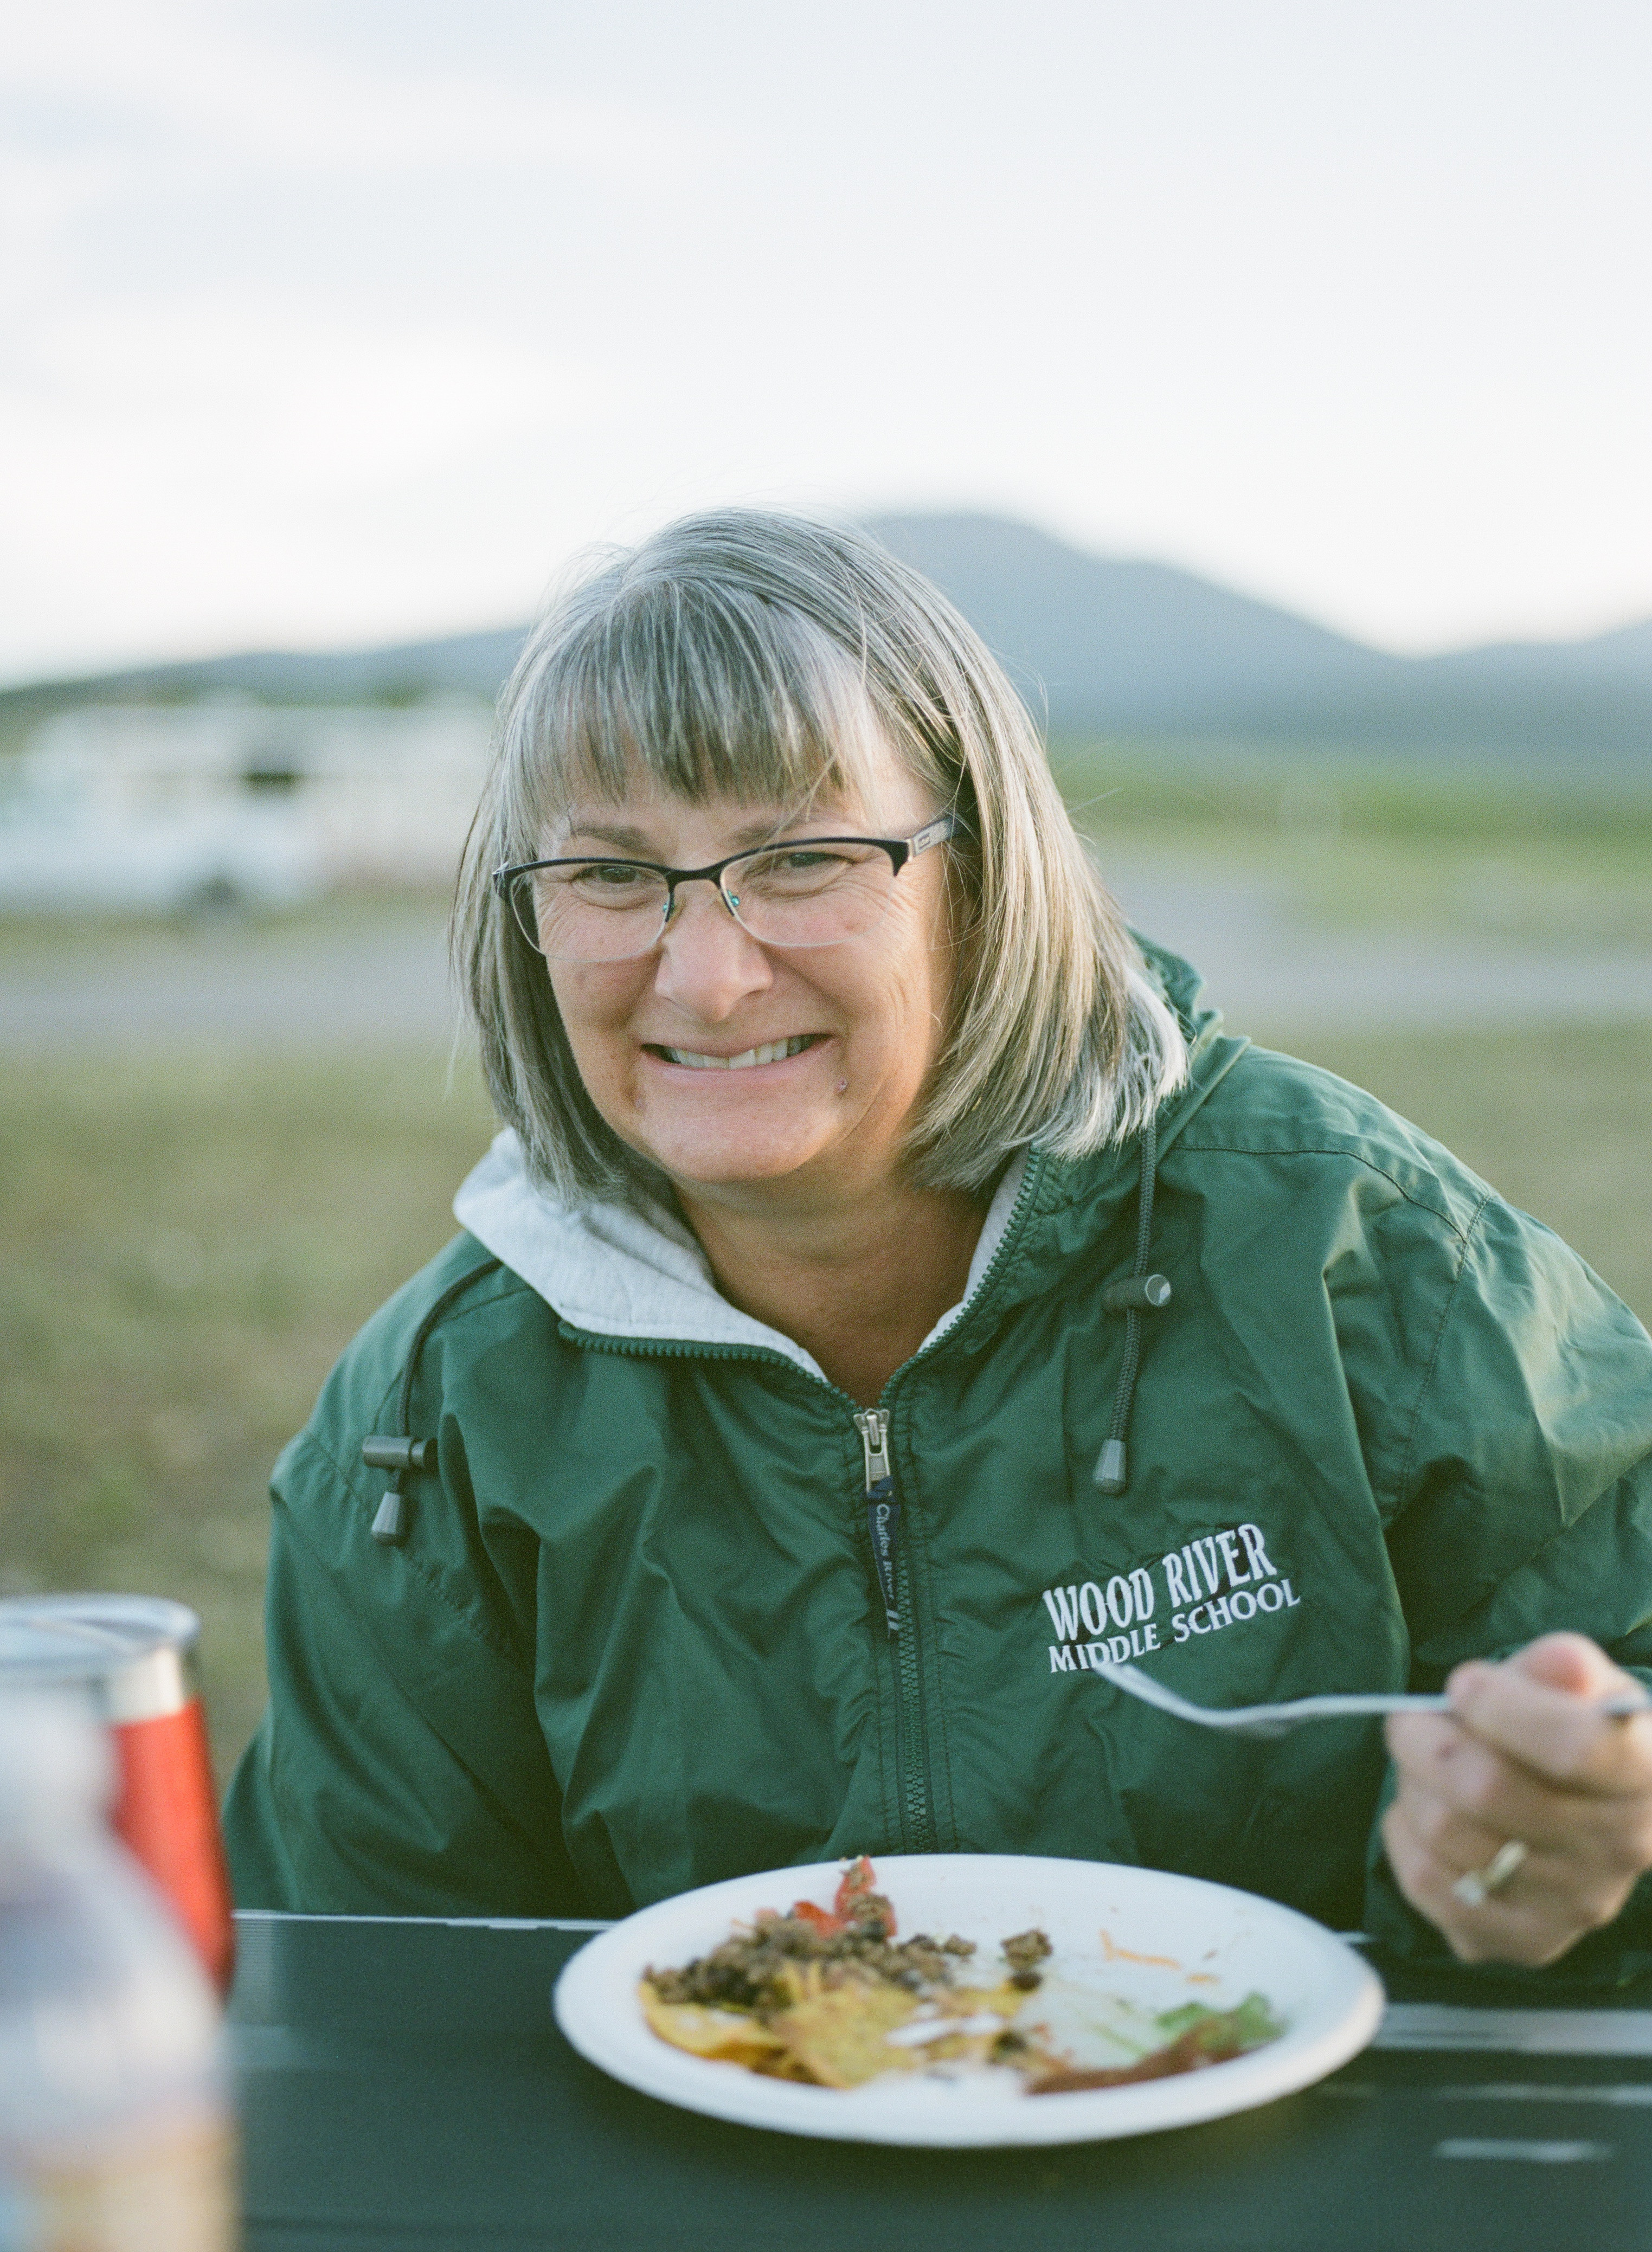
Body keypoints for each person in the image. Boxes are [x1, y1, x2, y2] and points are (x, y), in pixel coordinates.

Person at [224, 511, 1652, 1975]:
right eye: (609, 874)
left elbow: (1625, 1703)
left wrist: (1573, 1846)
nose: (708, 976)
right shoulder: (424, 1429)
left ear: (983, 876)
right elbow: (373, 2015)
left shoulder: (1356, 1250)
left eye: (802, 858)